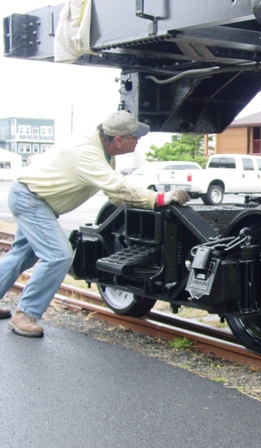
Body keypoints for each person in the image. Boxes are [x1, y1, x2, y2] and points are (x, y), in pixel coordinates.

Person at [0, 111, 191, 337]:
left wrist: (147, 198)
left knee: (23, 255)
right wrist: (159, 199)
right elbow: (115, 185)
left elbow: (114, 192)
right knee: (58, 255)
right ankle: (25, 315)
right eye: (135, 137)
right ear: (119, 140)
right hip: (31, 199)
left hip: (32, 196)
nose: (138, 141)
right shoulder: (87, 154)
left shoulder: (102, 151)